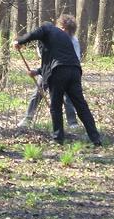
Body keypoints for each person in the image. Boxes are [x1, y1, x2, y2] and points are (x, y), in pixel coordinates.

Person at [13, 15, 102, 146]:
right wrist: (36, 72)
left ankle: (58, 138)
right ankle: (96, 138)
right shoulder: (64, 38)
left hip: (59, 72)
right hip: (74, 70)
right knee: (81, 106)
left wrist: (19, 41)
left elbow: (35, 34)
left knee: (56, 106)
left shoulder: (47, 29)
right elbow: (54, 60)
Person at [18, 18, 80, 130]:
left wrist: (37, 71)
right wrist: (38, 72)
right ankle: (28, 118)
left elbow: (73, 60)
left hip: (65, 72)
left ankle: (72, 122)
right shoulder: (48, 39)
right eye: (62, 28)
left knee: (67, 96)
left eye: (66, 30)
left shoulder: (74, 41)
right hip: (48, 70)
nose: (63, 31)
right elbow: (47, 61)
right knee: (38, 93)